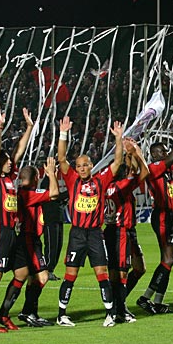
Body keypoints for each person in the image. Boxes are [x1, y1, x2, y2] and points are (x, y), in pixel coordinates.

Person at [56, 116, 125, 327]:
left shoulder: (100, 181)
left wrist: (119, 139)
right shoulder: (72, 180)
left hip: (95, 233)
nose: (82, 168)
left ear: (91, 166)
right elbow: (61, 158)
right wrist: (63, 133)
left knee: (101, 273)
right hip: (77, 234)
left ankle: (110, 314)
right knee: (70, 274)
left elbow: (118, 162)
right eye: (79, 166)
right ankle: (61, 315)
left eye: (85, 165)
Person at [0, 105, 34, 333]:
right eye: (6, 160)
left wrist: (29, 127)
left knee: (21, 272)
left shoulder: (10, 176)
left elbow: (19, 151)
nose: (11, 163)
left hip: (13, 232)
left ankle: (3, 314)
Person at [136, 116, 173, 315]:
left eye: (165, 151)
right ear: (153, 155)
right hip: (163, 216)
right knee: (167, 260)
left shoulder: (167, 169)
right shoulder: (153, 168)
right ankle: (145, 298)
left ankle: (157, 302)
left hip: (171, 216)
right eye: (161, 152)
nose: (164, 153)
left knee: (169, 261)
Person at [104, 138, 149, 323]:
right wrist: (137, 151)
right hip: (121, 231)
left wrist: (129, 155)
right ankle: (119, 309)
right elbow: (144, 172)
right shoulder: (122, 186)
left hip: (121, 231)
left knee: (138, 268)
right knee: (121, 273)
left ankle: (118, 304)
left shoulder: (108, 186)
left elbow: (133, 169)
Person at [16, 157, 59, 327]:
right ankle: (26, 311)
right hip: (29, 239)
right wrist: (52, 174)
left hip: (29, 238)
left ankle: (32, 313)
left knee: (32, 278)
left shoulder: (22, 192)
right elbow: (54, 193)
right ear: (36, 178)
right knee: (43, 276)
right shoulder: (29, 193)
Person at [39, 167, 69, 281]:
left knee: (58, 246)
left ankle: (50, 270)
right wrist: (70, 192)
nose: (56, 170)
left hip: (58, 218)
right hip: (50, 219)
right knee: (51, 245)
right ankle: (46, 270)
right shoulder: (46, 182)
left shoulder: (53, 181)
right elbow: (54, 196)